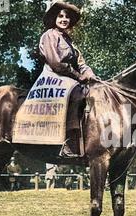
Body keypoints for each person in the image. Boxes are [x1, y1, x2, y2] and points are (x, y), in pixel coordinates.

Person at [39, 1, 99, 158]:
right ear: (54, 18)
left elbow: (81, 63)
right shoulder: (49, 35)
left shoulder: (70, 42)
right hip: (53, 76)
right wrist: (78, 76)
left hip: (70, 77)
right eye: (60, 16)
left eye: (66, 17)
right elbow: (56, 63)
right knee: (77, 95)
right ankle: (68, 142)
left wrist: (92, 76)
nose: (64, 19)